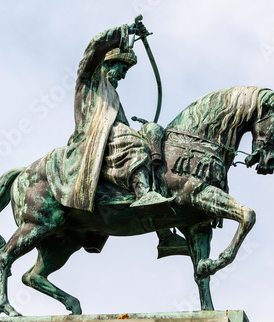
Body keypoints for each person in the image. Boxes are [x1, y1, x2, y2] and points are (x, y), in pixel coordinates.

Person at [46, 22, 187, 256]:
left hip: (112, 142)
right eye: (121, 68)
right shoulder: (90, 78)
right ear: (108, 62)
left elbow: (119, 126)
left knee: (151, 137)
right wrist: (126, 32)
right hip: (92, 142)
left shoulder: (114, 95)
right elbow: (94, 47)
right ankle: (143, 194)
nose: (122, 75)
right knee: (133, 143)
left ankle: (164, 233)